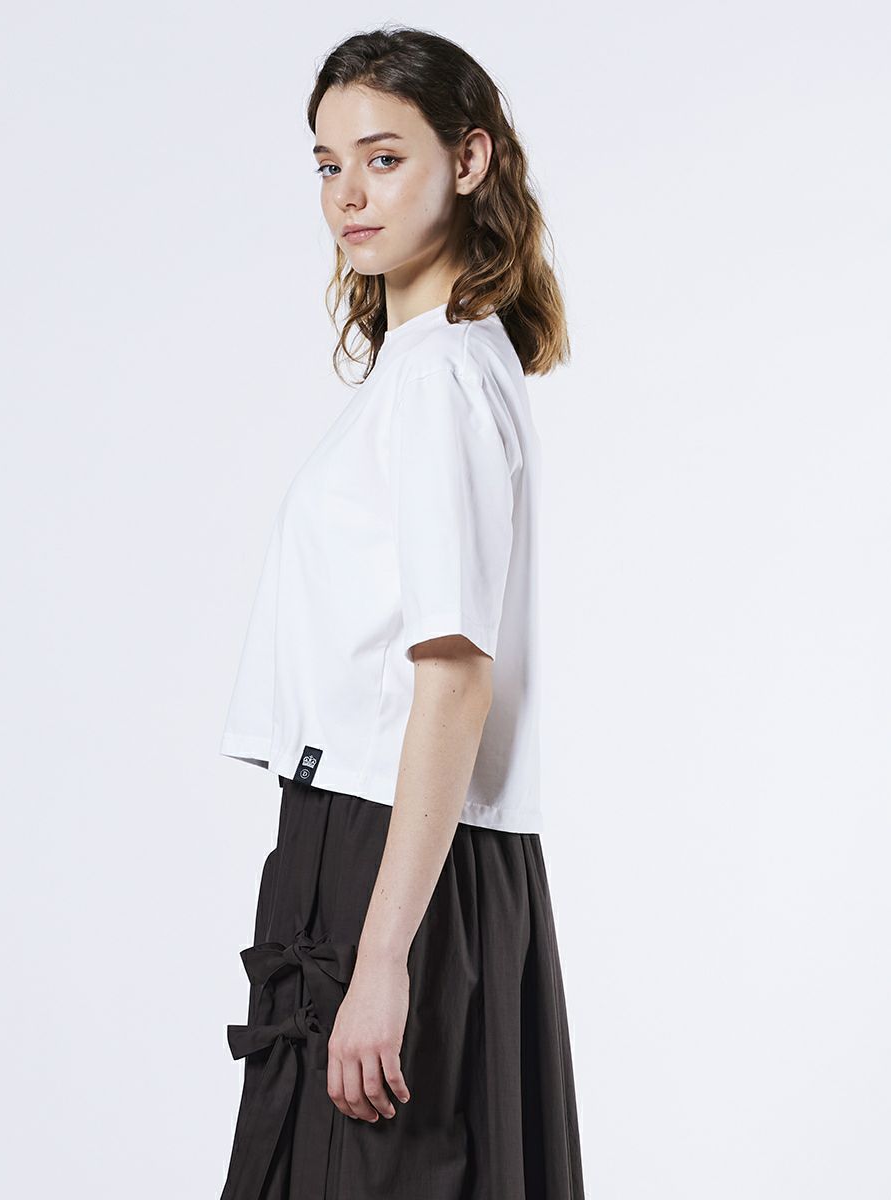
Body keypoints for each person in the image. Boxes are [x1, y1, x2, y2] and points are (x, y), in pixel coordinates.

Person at [216, 26, 585, 1200]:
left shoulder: (438, 381)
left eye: (382, 158)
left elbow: (454, 673)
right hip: (403, 846)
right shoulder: (443, 364)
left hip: (389, 855)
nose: (347, 195)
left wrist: (381, 958)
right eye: (328, 165)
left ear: (468, 160)